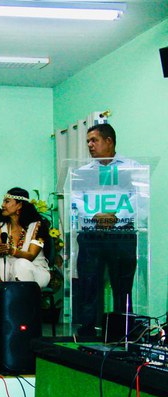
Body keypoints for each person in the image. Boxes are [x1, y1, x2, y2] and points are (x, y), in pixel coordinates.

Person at [74, 124, 140, 336]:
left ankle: (123, 333)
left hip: (121, 235)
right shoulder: (82, 173)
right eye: (88, 142)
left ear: (109, 141)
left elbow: (139, 198)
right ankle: (86, 331)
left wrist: (115, 217)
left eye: (94, 140)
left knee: (122, 287)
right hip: (92, 236)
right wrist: (95, 216)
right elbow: (76, 200)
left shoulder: (132, 167)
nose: (90, 145)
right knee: (89, 284)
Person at [0, 188, 51, 287]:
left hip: (36, 271)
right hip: (9, 270)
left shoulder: (37, 226)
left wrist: (11, 251)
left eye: (7, 201)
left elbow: (31, 256)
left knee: (20, 264)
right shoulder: (0, 227)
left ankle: (23, 299)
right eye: (3, 201)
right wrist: (0, 250)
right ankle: (1, 295)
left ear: (19, 205)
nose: (2, 205)